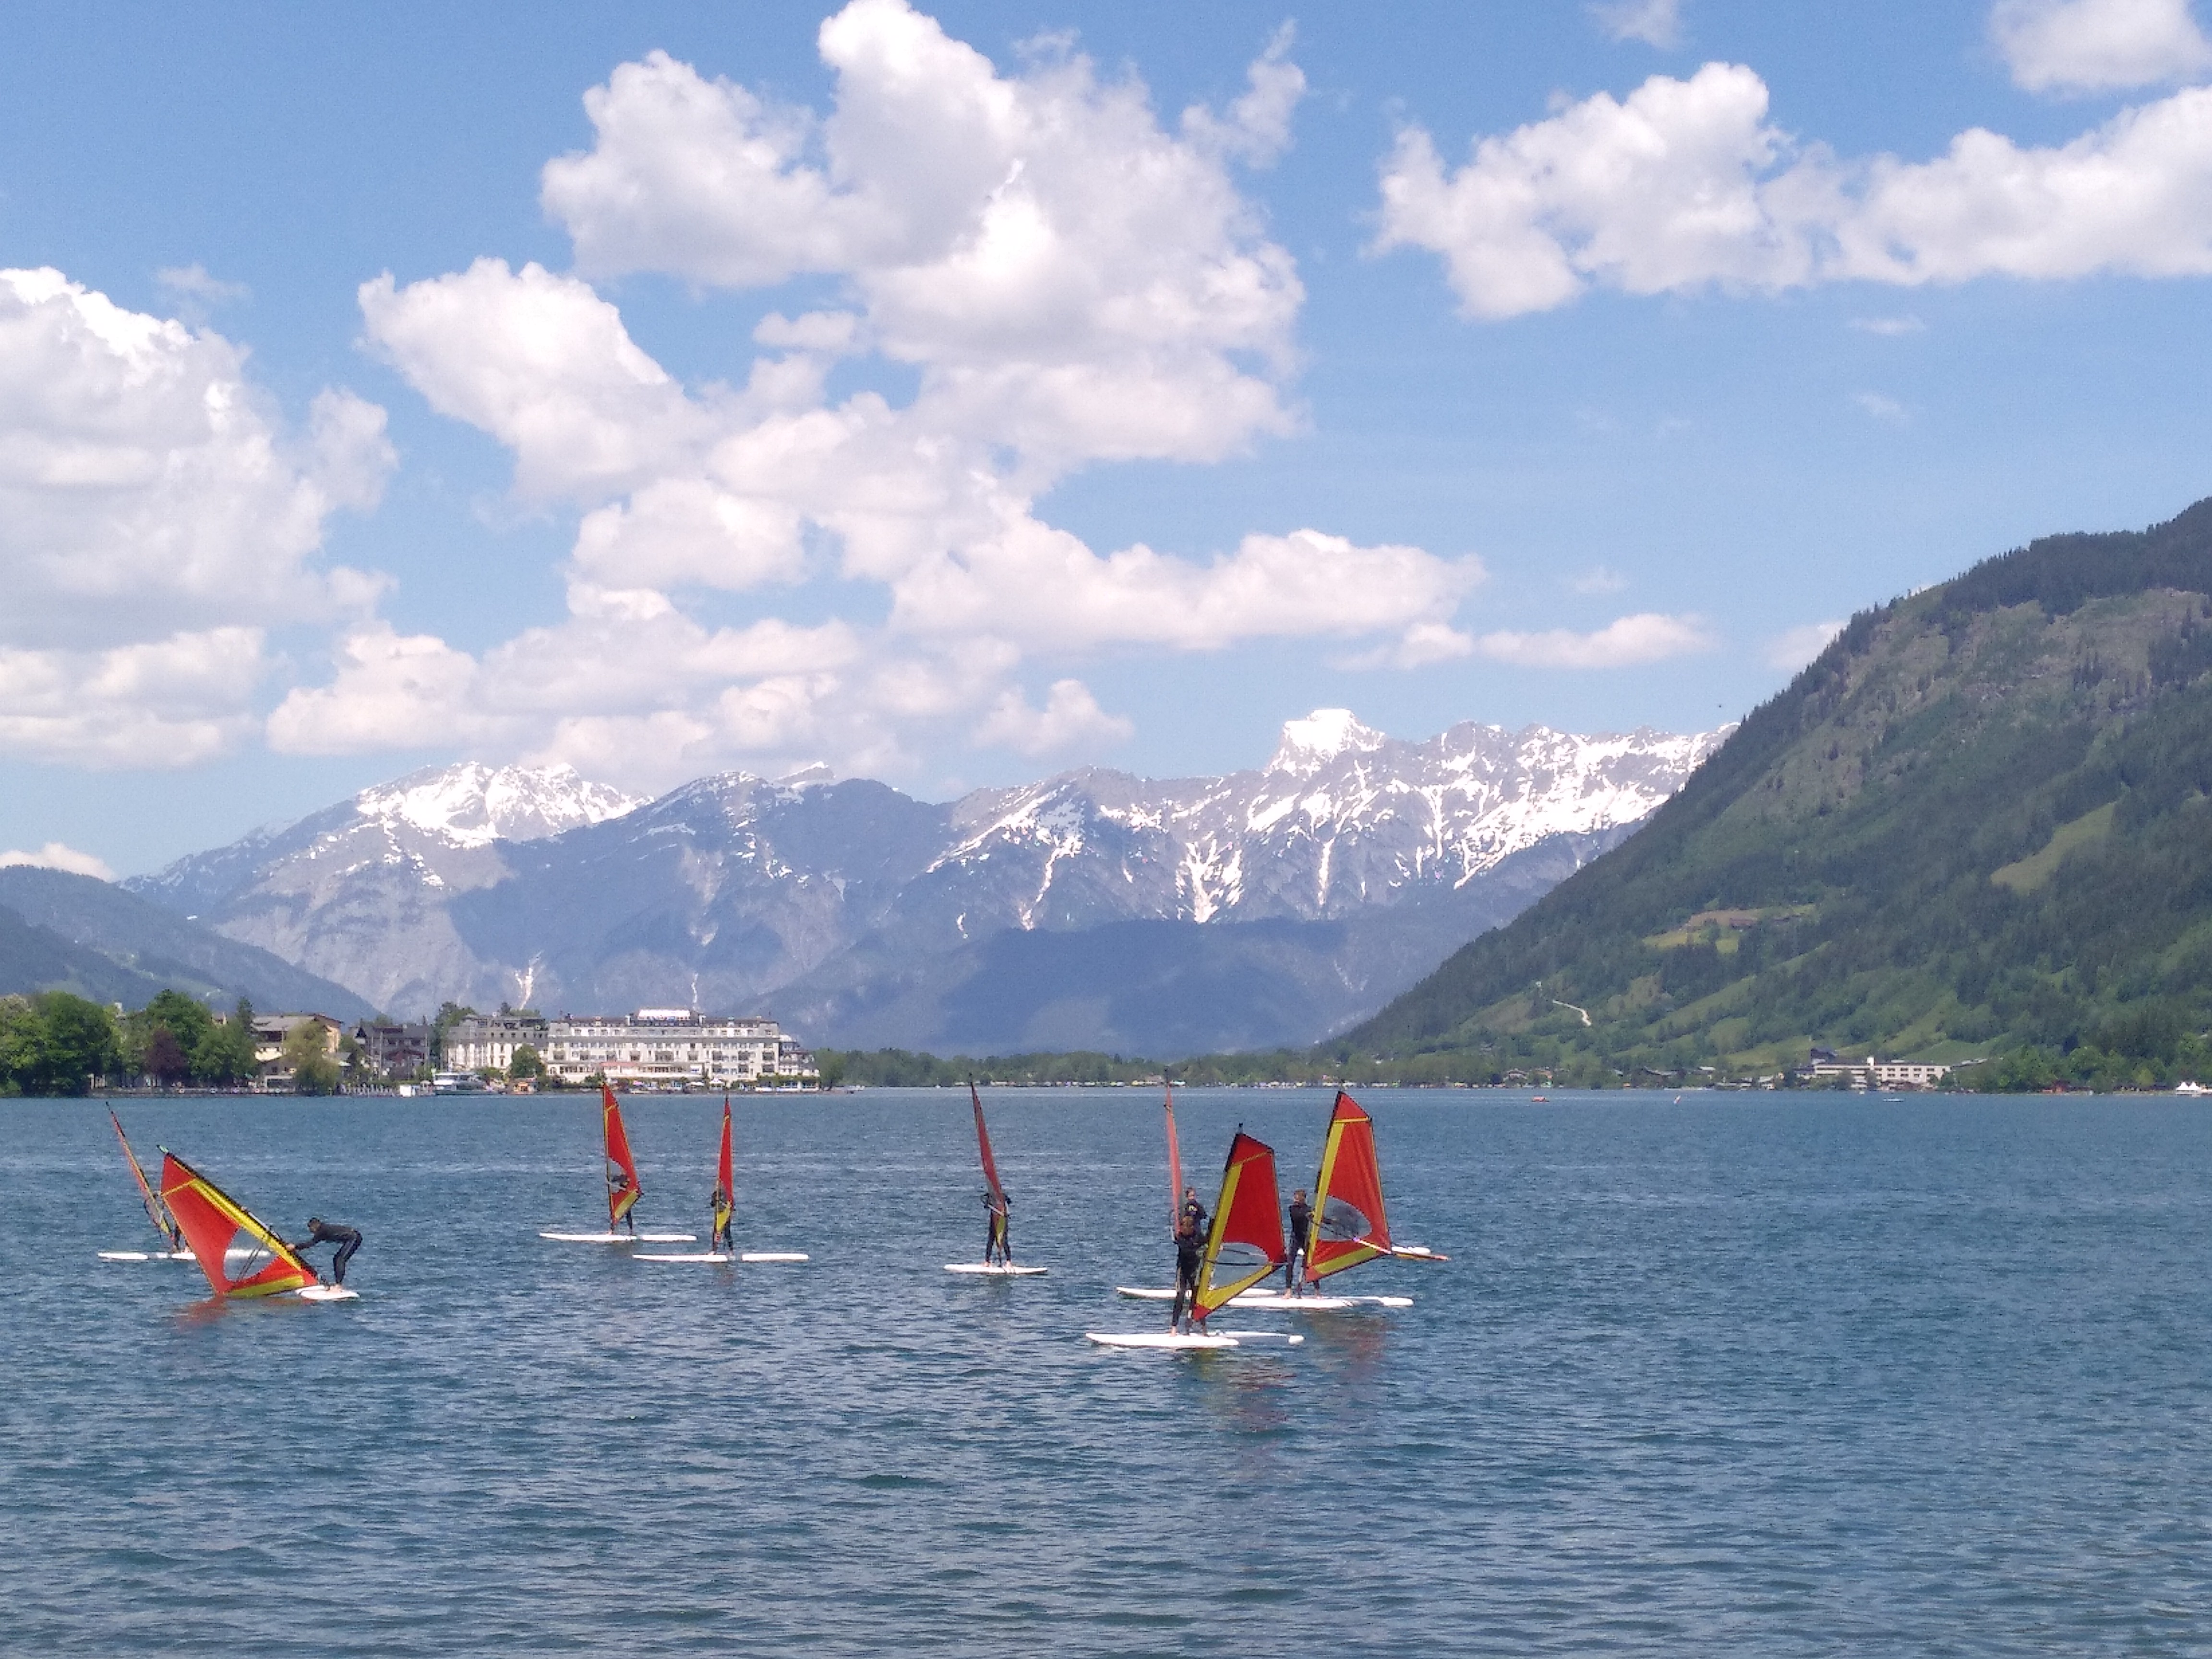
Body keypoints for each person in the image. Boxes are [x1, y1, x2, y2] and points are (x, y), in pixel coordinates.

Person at [1169, 1186, 1208, 1334]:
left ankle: (1202, 1327)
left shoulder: (1198, 1236)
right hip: (1183, 1271)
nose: (1185, 1230)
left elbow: (1208, 1239)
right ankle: (1174, 1328)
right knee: (1180, 1296)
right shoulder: (1181, 1238)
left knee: (1198, 1298)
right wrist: (1198, 1246)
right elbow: (1186, 1250)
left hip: (1194, 1271)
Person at [292, 1216, 362, 1286]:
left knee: (340, 1260)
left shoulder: (322, 1231)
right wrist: (297, 1247)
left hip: (354, 1238)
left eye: (310, 1228)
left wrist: (295, 1246)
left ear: (315, 1226)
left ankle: (339, 1285)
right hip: (352, 1238)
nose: (310, 1231)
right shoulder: (323, 1229)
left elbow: (311, 1243)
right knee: (336, 1259)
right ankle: (338, 1283)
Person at [1285, 1187, 1312, 1293]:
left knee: (1310, 1264)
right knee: (1290, 1263)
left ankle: (1317, 1291)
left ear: (1303, 1199)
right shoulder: (1292, 1209)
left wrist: (1331, 1222)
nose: (1295, 1200)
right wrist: (1309, 1215)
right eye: (1295, 1198)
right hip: (1295, 1238)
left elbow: (1319, 1218)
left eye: (1297, 1199)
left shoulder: (1310, 1210)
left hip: (1306, 1239)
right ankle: (1288, 1290)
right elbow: (1297, 1216)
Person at [982, 1189, 1012, 1266]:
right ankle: (987, 1261)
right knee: (990, 1241)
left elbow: (1009, 1202)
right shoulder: (991, 1197)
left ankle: (1008, 1261)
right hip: (993, 1221)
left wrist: (1003, 1201)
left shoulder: (1003, 1196)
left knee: (1004, 1241)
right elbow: (986, 1206)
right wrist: (988, 1202)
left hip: (1002, 1221)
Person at [710, 1182, 733, 1254]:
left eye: (720, 1185)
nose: (719, 1187)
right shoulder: (716, 1194)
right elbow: (712, 1204)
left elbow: (732, 1204)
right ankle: (714, 1250)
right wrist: (715, 1200)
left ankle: (731, 1250)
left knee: (727, 1232)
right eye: (718, 1185)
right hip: (719, 1215)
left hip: (726, 1215)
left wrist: (731, 1212)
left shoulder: (728, 1195)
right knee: (716, 1232)